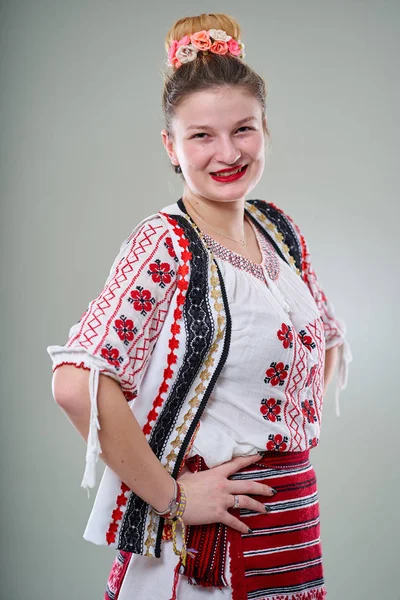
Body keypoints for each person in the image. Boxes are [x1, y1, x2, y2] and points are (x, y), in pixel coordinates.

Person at [47, 12, 352, 600]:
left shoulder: (279, 230)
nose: (227, 152)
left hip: (291, 528)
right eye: (201, 135)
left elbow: (322, 345)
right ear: (171, 146)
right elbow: (74, 382)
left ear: (266, 129)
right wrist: (174, 495)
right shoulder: (166, 243)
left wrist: (274, 431)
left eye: (244, 130)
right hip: (208, 549)